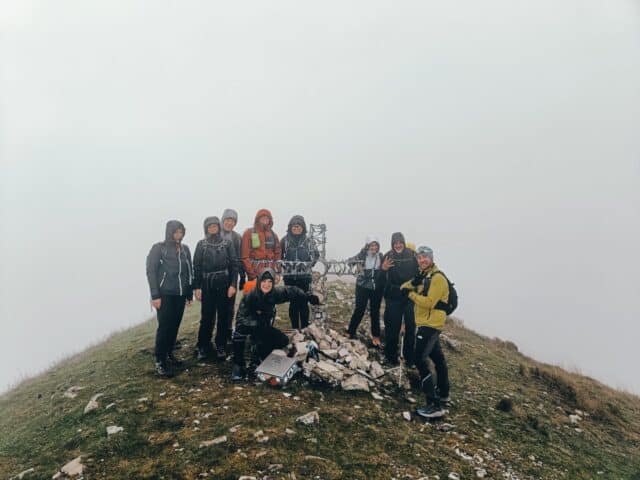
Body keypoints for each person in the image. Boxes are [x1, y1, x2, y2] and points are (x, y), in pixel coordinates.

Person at [230, 269, 320, 381]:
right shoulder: (250, 296)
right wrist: (257, 323)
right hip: (248, 327)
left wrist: (307, 296)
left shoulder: (275, 293)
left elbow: (293, 291)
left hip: (263, 328)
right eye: (263, 281)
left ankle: (259, 356)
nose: (266, 285)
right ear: (259, 282)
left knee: (283, 340)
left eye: (269, 282)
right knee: (239, 335)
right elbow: (240, 319)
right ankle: (238, 365)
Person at [401, 246, 450, 419]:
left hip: (430, 324)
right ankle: (444, 394)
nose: (422, 260)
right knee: (438, 359)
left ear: (431, 258)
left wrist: (411, 295)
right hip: (427, 323)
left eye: (425, 257)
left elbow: (429, 302)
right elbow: (404, 287)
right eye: (419, 258)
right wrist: (413, 283)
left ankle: (433, 404)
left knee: (419, 360)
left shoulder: (437, 278)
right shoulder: (425, 276)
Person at [145, 220, 193, 377]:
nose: (179, 235)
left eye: (181, 232)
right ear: (170, 232)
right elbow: (151, 271)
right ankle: (160, 360)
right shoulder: (159, 248)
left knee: (174, 326)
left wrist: (188, 293)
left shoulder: (185, 249)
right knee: (164, 327)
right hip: (165, 294)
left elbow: (189, 271)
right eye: (176, 232)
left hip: (180, 295)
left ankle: (169, 354)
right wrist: (155, 295)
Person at [193, 216, 238, 361]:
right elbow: (197, 267)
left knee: (224, 317)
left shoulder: (227, 244)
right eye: (209, 226)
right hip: (207, 286)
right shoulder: (201, 245)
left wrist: (233, 285)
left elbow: (234, 265)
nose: (213, 228)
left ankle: (221, 345)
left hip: (224, 285)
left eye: (215, 226)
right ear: (206, 228)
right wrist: (197, 287)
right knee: (207, 318)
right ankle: (202, 346)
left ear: (219, 227)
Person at [382, 232, 419, 366]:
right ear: (392, 244)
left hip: (409, 296)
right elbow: (382, 276)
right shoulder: (388, 256)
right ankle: (390, 355)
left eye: (400, 242)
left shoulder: (412, 255)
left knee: (410, 327)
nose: (398, 245)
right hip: (393, 296)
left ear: (404, 242)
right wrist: (383, 268)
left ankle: (409, 358)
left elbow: (418, 273)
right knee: (393, 327)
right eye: (395, 243)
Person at [280, 215, 320, 329]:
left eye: (299, 226)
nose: (296, 228)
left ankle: (304, 327)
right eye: (294, 226)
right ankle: (294, 328)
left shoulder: (309, 241)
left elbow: (316, 255)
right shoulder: (285, 240)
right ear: (290, 227)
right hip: (290, 278)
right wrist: (284, 265)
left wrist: (309, 265)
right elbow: (278, 255)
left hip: (304, 278)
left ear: (303, 228)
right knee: (293, 304)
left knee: (303, 302)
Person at [345, 236, 385, 346]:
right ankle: (350, 332)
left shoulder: (380, 256)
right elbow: (349, 262)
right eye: (371, 245)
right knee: (359, 309)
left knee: (375, 311)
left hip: (376, 287)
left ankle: (376, 336)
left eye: (376, 245)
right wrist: (357, 261)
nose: (374, 247)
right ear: (367, 246)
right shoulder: (362, 255)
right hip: (362, 286)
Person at [221, 208, 245, 342]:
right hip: (216, 278)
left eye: (232, 221)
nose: (230, 223)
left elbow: (240, 258)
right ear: (223, 220)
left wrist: (242, 277)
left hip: (232, 277)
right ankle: (214, 337)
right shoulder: (214, 233)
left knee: (230, 307)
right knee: (214, 310)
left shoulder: (237, 237)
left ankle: (228, 332)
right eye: (228, 220)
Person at [241, 209, 282, 287]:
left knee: (269, 297)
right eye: (262, 217)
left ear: (270, 220)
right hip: (255, 274)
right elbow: (245, 257)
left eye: (267, 218)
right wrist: (252, 276)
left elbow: (277, 255)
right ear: (257, 219)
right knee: (253, 297)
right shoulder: (249, 233)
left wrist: (277, 272)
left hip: (270, 274)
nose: (265, 219)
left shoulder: (273, 235)